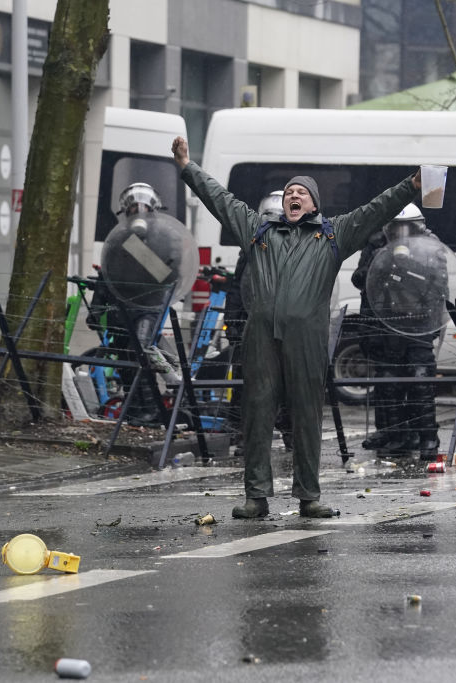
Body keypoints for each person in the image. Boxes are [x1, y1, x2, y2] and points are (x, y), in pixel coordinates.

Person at [173, 135, 420, 518]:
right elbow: (220, 200)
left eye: (302, 192)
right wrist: (188, 167)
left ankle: (309, 496)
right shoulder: (258, 230)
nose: (294, 195)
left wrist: (410, 186)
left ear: (314, 203)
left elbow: (377, 209)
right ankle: (256, 496)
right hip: (261, 339)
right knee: (257, 413)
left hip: (306, 341)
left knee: (306, 414)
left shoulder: (334, 234)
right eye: (290, 191)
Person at [354, 203, 441, 460]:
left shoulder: (430, 246)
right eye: (396, 228)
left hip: (417, 325)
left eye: (407, 228)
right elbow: (360, 279)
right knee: (388, 383)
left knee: (420, 382)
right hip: (385, 323)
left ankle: (427, 437)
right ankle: (396, 435)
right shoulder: (377, 244)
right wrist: (381, 260)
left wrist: (410, 263)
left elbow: (439, 287)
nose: (401, 233)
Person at [88, 182, 171, 425]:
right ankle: (134, 408)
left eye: (142, 206)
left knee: (140, 354)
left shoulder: (163, 238)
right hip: (119, 308)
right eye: (133, 206)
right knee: (124, 359)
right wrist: (97, 308)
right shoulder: (116, 239)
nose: (138, 210)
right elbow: (106, 275)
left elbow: (166, 274)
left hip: (147, 307)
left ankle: (152, 410)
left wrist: (138, 245)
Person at [224, 190, 293, 451]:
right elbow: (238, 288)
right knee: (246, 382)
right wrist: (233, 321)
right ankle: (242, 434)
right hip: (250, 325)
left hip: (283, 327)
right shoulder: (250, 248)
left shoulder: (296, 247)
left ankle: (291, 434)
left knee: (287, 385)